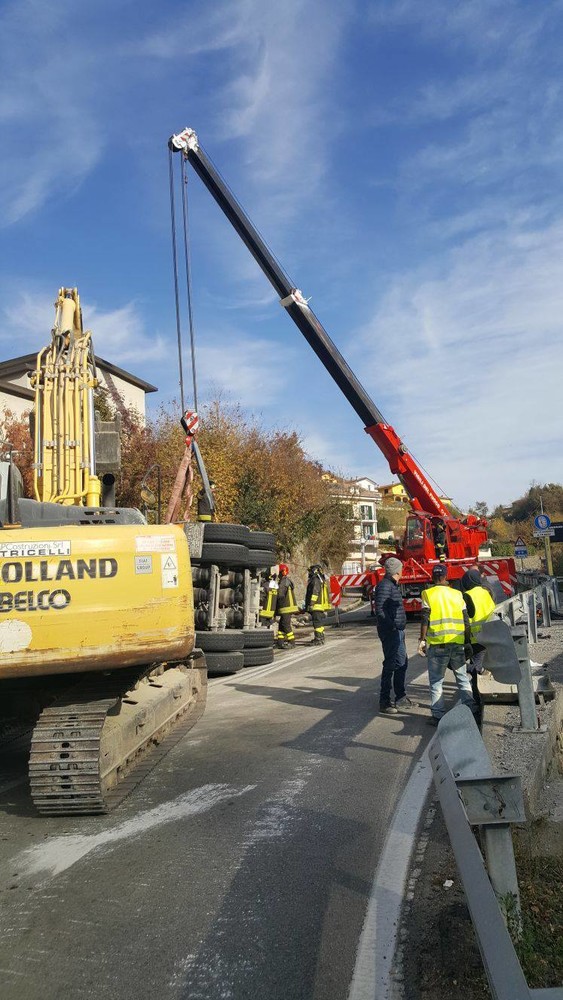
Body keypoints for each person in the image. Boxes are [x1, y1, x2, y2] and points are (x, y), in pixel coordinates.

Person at [419, 564, 476, 725]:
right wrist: (467, 642)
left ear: (432, 577)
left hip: (438, 645)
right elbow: (466, 621)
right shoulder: (458, 594)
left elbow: (425, 618)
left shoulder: (427, 594)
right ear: (446, 576)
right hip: (457, 643)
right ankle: (471, 710)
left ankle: (438, 715)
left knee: (436, 682)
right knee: (462, 677)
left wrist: (422, 640)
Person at [374, 557, 416, 714]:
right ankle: (384, 702)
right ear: (398, 570)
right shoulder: (385, 586)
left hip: (396, 630)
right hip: (391, 632)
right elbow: (381, 610)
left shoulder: (390, 585)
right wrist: (391, 627)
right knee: (391, 665)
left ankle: (400, 697)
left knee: (401, 663)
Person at [461, 568, 496, 720]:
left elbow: (465, 619)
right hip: (490, 635)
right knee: (483, 667)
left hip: (475, 639)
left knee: (475, 673)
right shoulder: (485, 592)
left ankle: (478, 704)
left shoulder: (467, 595)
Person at [305, 564, 331, 645]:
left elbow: (314, 593)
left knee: (317, 623)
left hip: (316, 606)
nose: (309, 574)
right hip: (319, 606)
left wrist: (311, 604)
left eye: (310, 571)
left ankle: (318, 639)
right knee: (319, 623)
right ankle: (321, 637)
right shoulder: (321, 580)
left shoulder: (315, 580)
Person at [275, 563, 299, 648]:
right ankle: (280, 642)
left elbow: (280, 594)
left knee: (285, 624)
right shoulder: (286, 581)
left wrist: (273, 593)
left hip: (286, 607)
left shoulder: (284, 581)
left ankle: (292, 642)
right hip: (286, 607)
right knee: (281, 624)